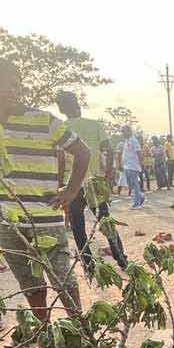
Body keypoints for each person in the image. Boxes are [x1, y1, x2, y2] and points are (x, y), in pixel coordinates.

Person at [0, 56, 89, 322]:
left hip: (47, 217)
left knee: (63, 279)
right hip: (7, 222)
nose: (9, 90)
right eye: (1, 84)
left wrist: (70, 191)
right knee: (31, 283)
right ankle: (43, 330)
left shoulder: (44, 121)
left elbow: (82, 153)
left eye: (15, 84)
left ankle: (81, 330)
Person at [55, 91, 127, 274]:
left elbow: (60, 159)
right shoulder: (94, 125)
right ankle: (121, 259)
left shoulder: (61, 128)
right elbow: (108, 149)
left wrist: (59, 184)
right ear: (77, 104)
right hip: (94, 182)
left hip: (72, 185)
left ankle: (88, 265)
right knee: (105, 221)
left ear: (61, 109)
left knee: (78, 226)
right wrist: (108, 173)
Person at [120, 126, 145, 209]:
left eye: (124, 131)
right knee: (130, 185)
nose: (122, 133)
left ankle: (137, 204)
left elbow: (139, 152)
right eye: (122, 131)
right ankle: (141, 197)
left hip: (133, 166)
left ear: (129, 131)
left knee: (135, 184)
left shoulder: (134, 140)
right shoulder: (126, 141)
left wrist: (141, 164)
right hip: (126, 166)